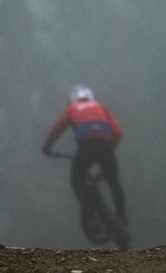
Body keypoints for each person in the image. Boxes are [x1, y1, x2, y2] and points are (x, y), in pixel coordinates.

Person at [40, 84, 127, 228]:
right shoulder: (101, 107)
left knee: (77, 181)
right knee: (114, 181)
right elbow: (118, 131)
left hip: (87, 147)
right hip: (106, 145)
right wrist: (111, 148)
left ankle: (92, 217)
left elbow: (56, 131)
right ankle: (122, 215)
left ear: (72, 99)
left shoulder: (72, 109)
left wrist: (46, 148)